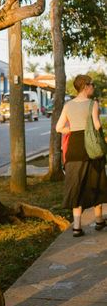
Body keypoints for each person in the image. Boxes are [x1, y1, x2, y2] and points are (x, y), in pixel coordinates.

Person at [55, 74, 107, 237]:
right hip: (91, 150)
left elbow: (59, 128)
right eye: (91, 85)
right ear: (85, 86)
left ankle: (76, 227)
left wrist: (72, 130)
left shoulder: (68, 105)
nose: (93, 87)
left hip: (74, 150)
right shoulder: (93, 104)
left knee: (75, 186)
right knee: (96, 183)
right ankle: (99, 221)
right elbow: (97, 125)